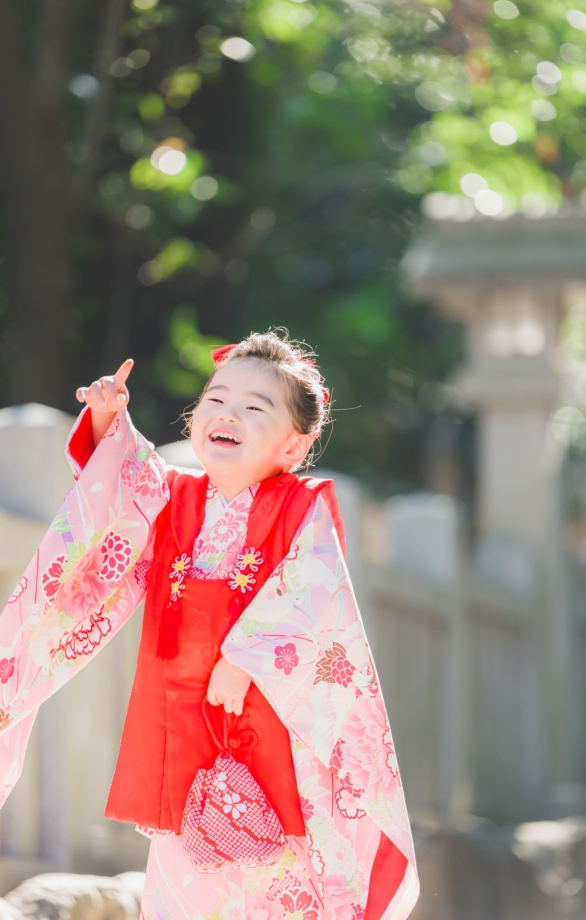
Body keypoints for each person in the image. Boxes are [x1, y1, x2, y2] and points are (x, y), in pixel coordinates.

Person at [0, 330, 418, 920]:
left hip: (267, 725)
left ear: (294, 446)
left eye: (254, 407)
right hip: (182, 720)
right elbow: (122, 489)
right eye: (216, 400)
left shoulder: (302, 507)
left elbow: (315, 597)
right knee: (180, 874)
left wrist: (245, 659)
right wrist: (105, 425)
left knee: (273, 875)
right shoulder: (173, 499)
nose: (227, 414)